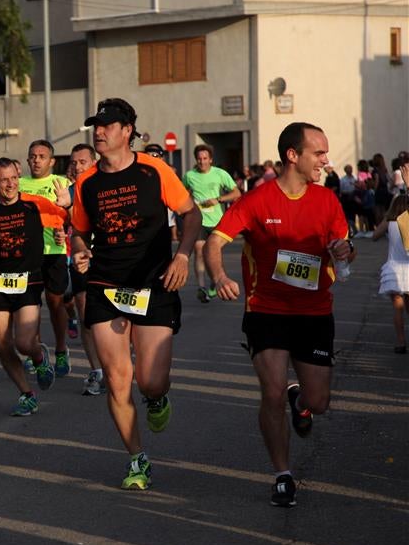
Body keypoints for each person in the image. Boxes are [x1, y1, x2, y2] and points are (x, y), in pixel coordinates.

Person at [204, 122, 353, 507]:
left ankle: (301, 400)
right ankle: (282, 474)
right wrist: (219, 275)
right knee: (270, 391)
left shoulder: (327, 200)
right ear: (293, 155)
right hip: (266, 309)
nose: (325, 160)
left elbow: (342, 244)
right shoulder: (257, 201)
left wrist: (343, 251)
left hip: (315, 311)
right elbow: (216, 241)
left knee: (319, 402)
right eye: (318, 153)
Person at [71, 98, 199, 491]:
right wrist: (80, 249)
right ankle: (136, 459)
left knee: (150, 380)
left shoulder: (154, 170)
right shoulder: (86, 181)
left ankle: (157, 398)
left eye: (108, 125)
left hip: (154, 283)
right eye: (96, 125)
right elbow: (78, 229)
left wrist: (181, 255)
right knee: (117, 378)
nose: (100, 132)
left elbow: (191, 214)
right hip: (105, 285)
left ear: (128, 130)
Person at [0, 158, 70, 415]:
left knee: (24, 343)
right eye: (4, 180)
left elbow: (66, 219)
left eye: (14, 178)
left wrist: (67, 211)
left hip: (28, 280)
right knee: (3, 344)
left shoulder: (34, 203)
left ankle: (39, 356)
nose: (11, 184)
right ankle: (26, 394)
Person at [20, 139, 72, 378]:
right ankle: (35, 351)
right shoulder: (19, 184)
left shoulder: (61, 183)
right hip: (27, 254)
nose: (36, 160)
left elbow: (76, 216)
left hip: (54, 252)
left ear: (51, 161)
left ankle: (61, 349)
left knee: (55, 303)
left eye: (42, 156)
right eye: (33, 156)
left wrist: (66, 231)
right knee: (31, 307)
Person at [66, 143, 105, 396]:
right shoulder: (67, 191)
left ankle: (117, 360)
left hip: (109, 260)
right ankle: (98, 371)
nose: (78, 166)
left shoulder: (105, 185)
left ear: (94, 161)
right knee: (85, 315)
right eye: (74, 162)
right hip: (79, 260)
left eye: (83, 162)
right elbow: (61, 222)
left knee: (110, 316)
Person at [181, 144, 242, 302]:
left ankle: (215, 281)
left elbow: (236, 193)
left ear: (211, 159)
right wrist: (188, 207)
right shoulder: (189, 175)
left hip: (217, 220)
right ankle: (201, 287)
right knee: (199, 250)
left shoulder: (220, 174)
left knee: (214, 253)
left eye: (205, 158)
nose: (202, 162)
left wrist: (218, 199)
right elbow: (181, 194)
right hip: (198, 220)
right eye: (199, 159)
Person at [372, 194, 409, 353]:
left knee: (398, 309)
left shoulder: (390, 222)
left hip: (393, 270)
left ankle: (401, 343)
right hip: (408, 268)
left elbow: (374, 237)